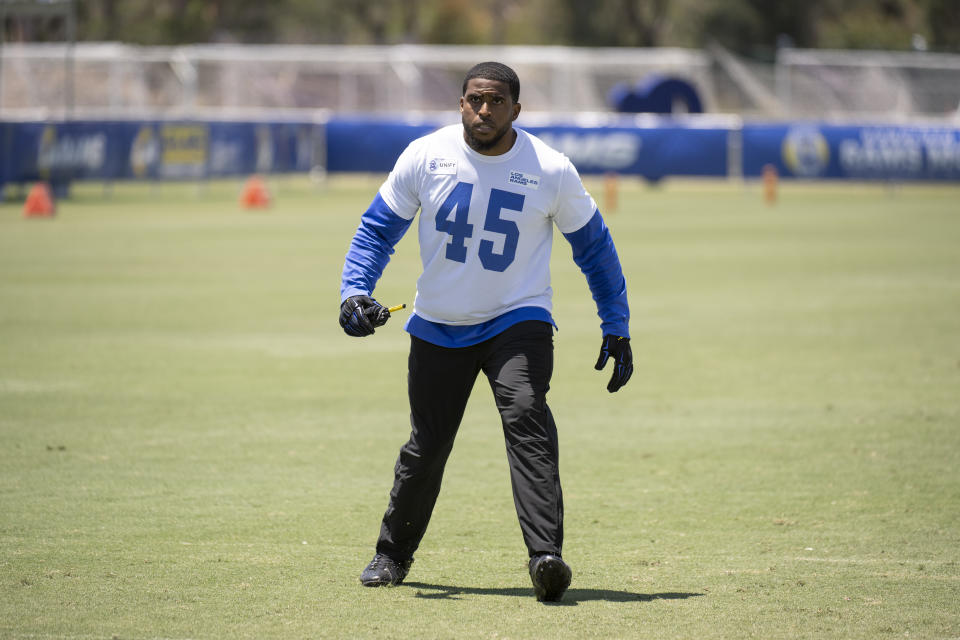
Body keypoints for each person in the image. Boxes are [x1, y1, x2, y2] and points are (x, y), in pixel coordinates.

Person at [338, 61, 632, 602]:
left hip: (517, 320)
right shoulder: (426, 156)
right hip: (438, 324)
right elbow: (377, 230)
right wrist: (354, 291)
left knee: (526, 417)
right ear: (461, 103)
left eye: (497, 101)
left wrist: (616, 323)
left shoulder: (551, 168)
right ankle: (391, 555)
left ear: (516, 110)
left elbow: (594, 248)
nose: (484, 109)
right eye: (475, 98)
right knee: (427, 447)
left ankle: (547, 557)